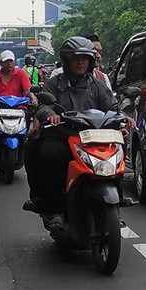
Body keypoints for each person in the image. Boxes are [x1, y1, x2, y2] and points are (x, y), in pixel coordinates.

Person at [22, 36, 133, 231]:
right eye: (75, 58)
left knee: (119, 146)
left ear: (91, 61)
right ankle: (54, 209)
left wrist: (122, 119)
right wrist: (50, 115)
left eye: (85, 58)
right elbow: (43, 105)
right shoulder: (54, 84)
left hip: (94, 139)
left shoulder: (98, 86)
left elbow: (112, 107)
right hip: (64, 137)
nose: (81, 62)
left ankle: (117, 201)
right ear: (66, 60)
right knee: (49, 153)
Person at [0, 50, 37, 147]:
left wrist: (33, 98)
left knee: (28, 117)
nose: (9, 63)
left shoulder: (21, 73)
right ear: (0, 63)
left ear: (14, 62)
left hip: (19, 107)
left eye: (11, 61)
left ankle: (26, 139)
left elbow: (27, 90)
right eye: (6, 61)